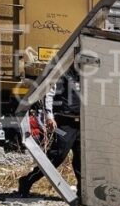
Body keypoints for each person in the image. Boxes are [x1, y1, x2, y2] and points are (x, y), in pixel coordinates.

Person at [17, 66, 82, 198]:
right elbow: (49, 94)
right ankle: (27, 181)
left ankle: (82, 193)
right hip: (64, 123)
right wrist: (49, 117)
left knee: (82, 160)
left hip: (83, 123)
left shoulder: (89, 76)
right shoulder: (63, 74)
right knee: (56, 155)